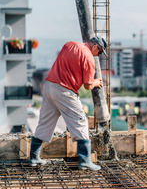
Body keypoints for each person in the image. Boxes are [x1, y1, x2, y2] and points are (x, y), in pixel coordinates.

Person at [29, 36, 107, 171]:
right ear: (95, 47)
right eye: (99, 52)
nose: (98, 56)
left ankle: (34, 157)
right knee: (80, 121)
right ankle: (85, 160)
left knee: (45, 122)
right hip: (65, 91)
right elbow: (88, 86)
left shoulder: (70, 44)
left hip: (49, 86)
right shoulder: (89, 57)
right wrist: (96, 82)